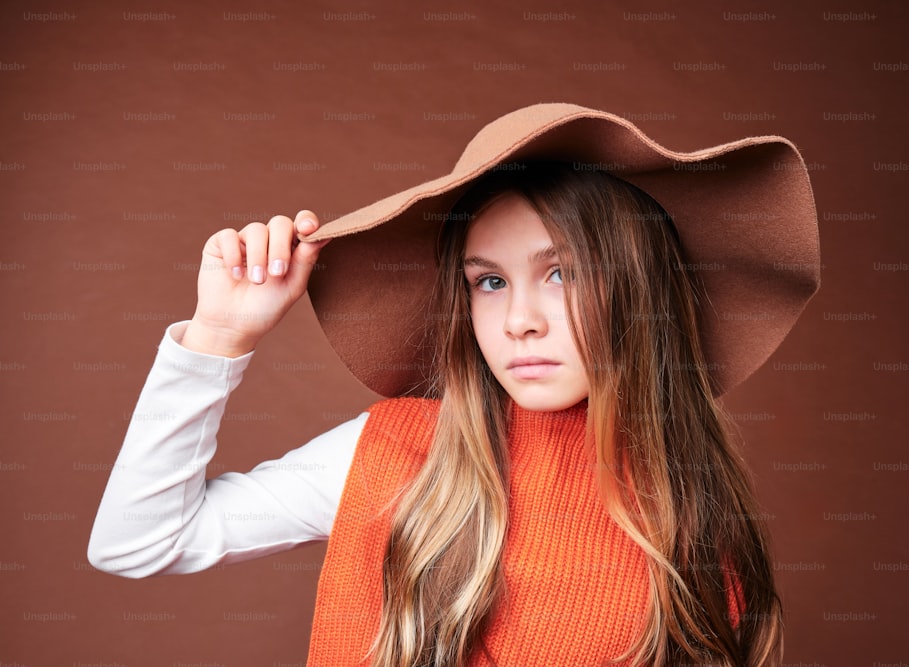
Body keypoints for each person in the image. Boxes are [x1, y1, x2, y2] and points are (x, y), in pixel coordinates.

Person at [89, 104, 820, 666]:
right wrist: (219, 336)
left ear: (640, 288)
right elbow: (138, 541)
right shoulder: (398, 453)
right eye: (490, 282)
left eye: (561, 272)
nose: (520, 322)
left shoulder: (691, 505)